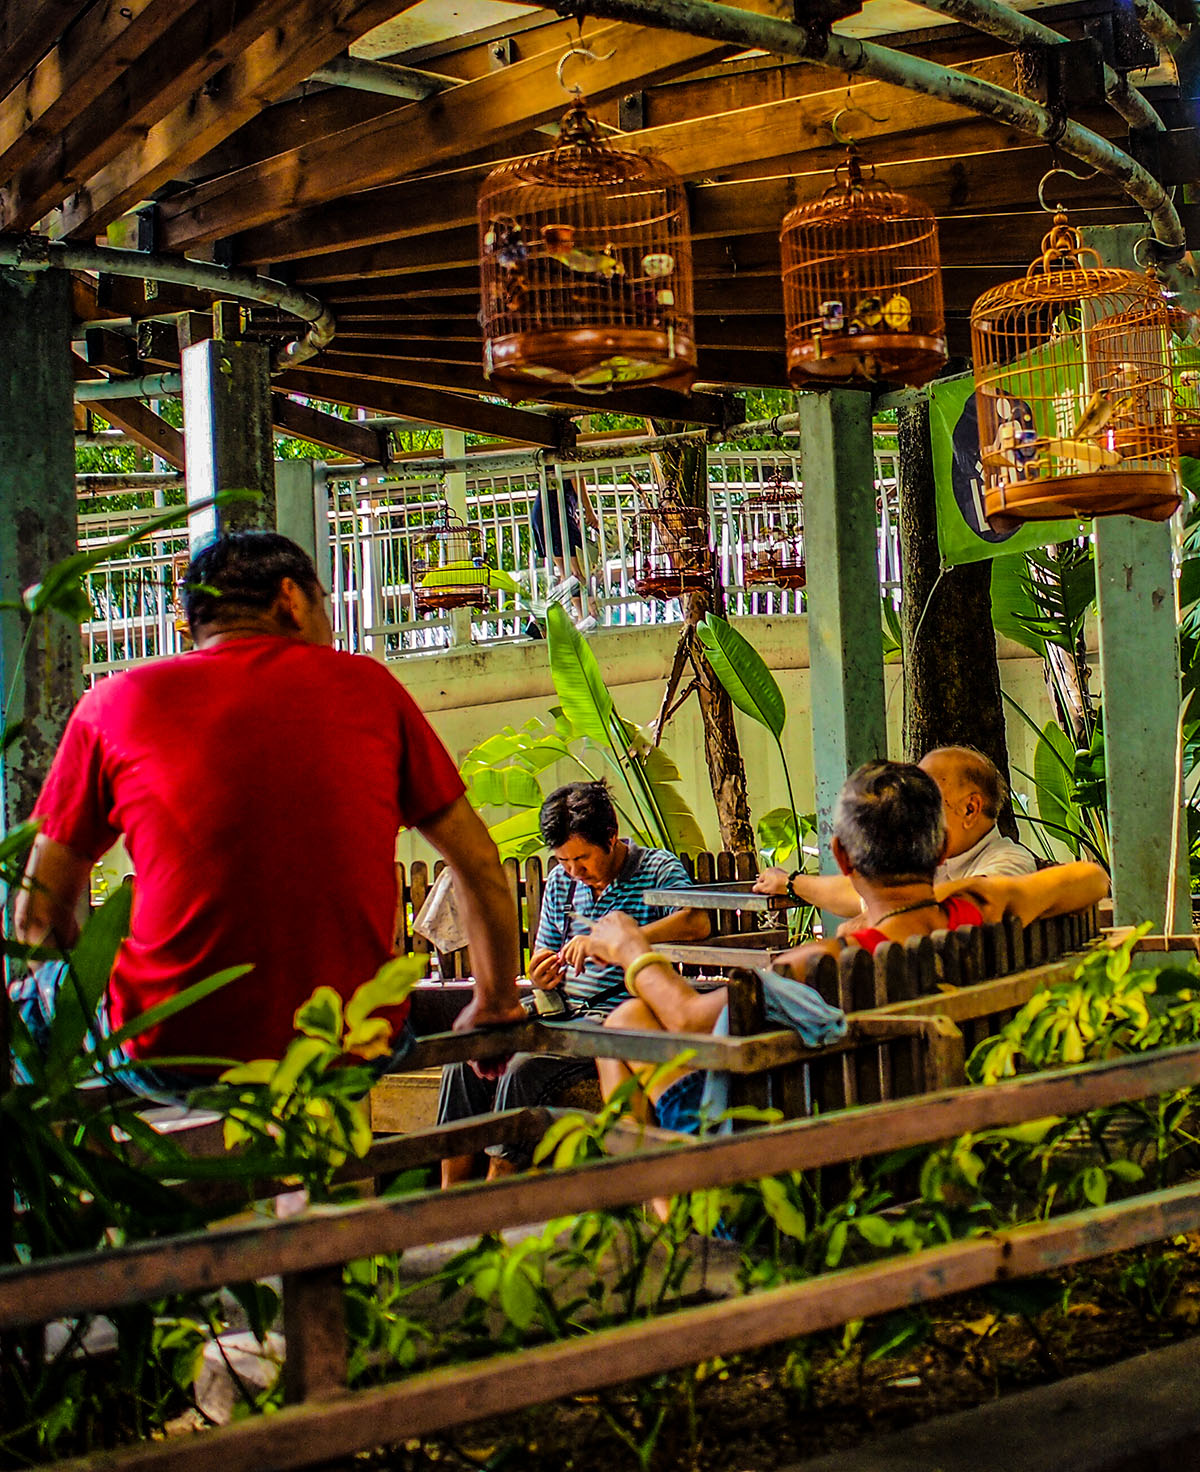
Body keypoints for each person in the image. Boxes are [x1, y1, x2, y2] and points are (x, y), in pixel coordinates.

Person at [12, 531, 524, 1098]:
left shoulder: (113, 703)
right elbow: (478, 862)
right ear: (291, 599)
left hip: (170, 1052)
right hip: (350, 1044)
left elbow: (38, 909)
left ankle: (84, 1179)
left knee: (29, 1007)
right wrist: (496, 1002)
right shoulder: (368, 687)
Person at [587, 760, 1107, 1137]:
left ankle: (668, 1209)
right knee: (632, 1014)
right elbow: (1092, 878)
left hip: (805, 1167)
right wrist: (930, 905)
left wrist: (633, 950)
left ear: (842, 855)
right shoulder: (978, 906)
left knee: (625, 1021)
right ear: (941, 848)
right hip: (932, 1131)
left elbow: (685, 1018)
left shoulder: (820, 964)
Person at [435, 779, 711, 1184]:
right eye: (563, 861)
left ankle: (496, 1202)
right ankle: (447, 1202)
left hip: (610, 1017)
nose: (573, 871)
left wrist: (621, 941)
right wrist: (539, 973)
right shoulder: (563, 883)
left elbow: (696, 920)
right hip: (555, 1010)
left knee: (521, 1072)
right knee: (465, 1057)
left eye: (581, 858)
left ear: (611, 838)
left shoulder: (656, 867)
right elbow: (542, 956)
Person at [755, 744, 1036, 917]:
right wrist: (791, 883)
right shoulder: (924, 855)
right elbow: (868, 893)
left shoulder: (1009, 862)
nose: (910, 804)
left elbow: (980, 894)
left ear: (970, 809)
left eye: (926, 795)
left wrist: (880, 914)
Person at [529, 474, 599, 629]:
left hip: (547, 514)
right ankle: (586, 616)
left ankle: (578, 616)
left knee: (568, 573)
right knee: (576, 572)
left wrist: (574, 513)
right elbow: (576, 477)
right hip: (555, 515)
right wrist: (589, 511)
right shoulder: (570, 460)